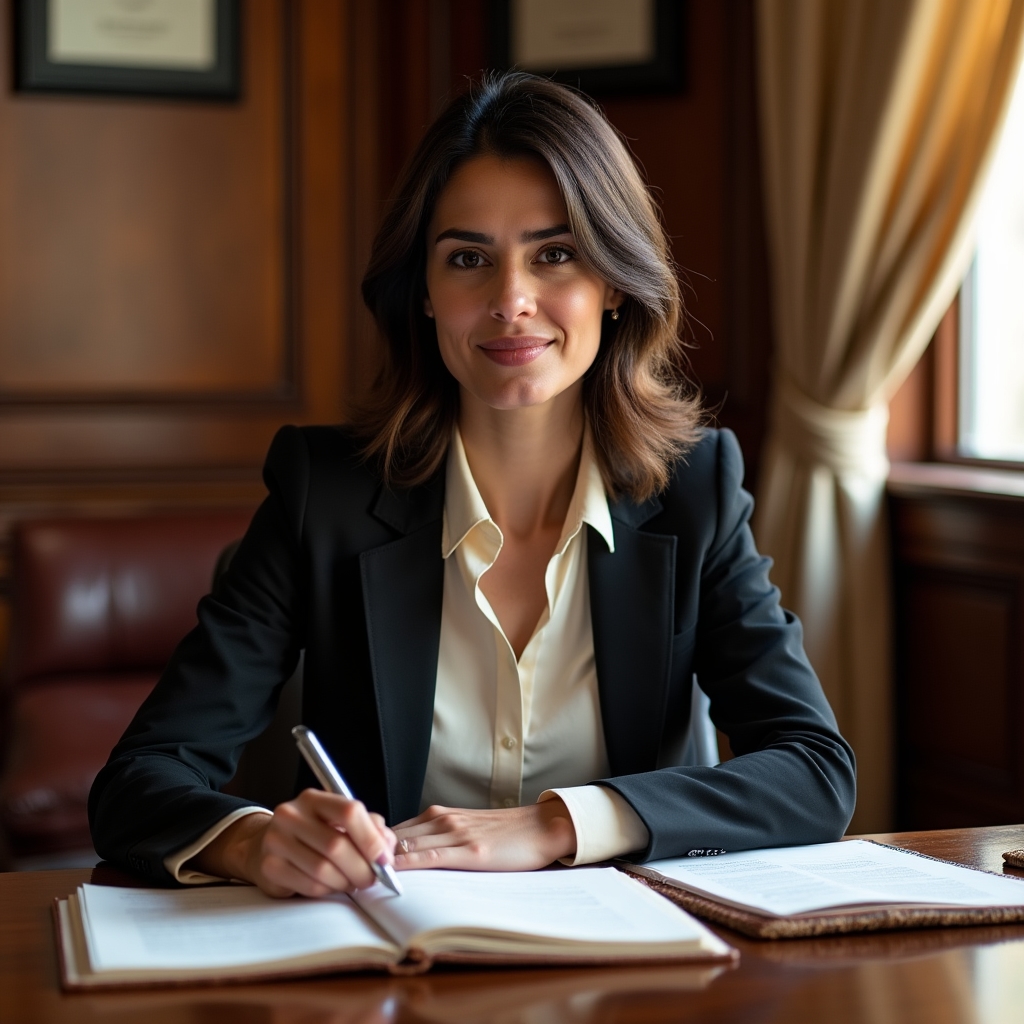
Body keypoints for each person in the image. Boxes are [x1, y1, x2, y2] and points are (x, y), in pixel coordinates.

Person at [89, 72, 856, 897]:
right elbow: (141, 781)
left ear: (617, 285)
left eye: (555, 254)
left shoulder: (696, 488)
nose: (511, 301)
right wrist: (255, 842)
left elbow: (814, 771)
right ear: (423, 293)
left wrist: (556, 823)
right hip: (394, 965)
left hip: (635, 960)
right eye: (468, 259)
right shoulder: (327, 495)